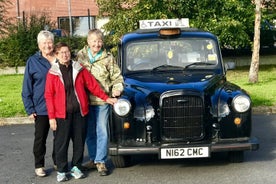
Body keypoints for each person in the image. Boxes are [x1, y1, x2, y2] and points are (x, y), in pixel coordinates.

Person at [44, 42, 118, 182]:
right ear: (57, 55)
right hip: (61, 115)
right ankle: (62, 170)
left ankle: (76, 167)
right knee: (62, 143)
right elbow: (48, 95)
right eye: (61, 53)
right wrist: (51, 117)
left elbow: (92, 85)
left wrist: (106, 98)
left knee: (79, 142)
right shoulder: (52, 73)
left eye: (67, 52)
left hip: (79, 113)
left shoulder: (79, 68)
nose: (65, 55)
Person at [76, 29, 124, 176]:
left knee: (102, 130)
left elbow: (117, 78)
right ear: (88, 42)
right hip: (84, 101)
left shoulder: (108, 57)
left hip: (103, 100)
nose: (97, 44)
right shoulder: (80, 56)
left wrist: (117, 90)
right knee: (89, 132)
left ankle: (101, 161)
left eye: (99, 41)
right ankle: (93, 158)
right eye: (94, 41)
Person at [21, 30, 56, 177]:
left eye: (50, 42)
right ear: (39, 45)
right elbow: (26, 87)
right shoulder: (33, 61)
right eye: (44, 43)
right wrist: (30, 108)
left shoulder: (60, 58)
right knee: (40, 138)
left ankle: (58, 162)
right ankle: (39, 165)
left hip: (59, 106)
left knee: (60, 137)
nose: (47, 46)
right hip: (41, 107)